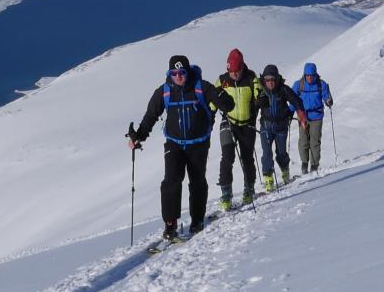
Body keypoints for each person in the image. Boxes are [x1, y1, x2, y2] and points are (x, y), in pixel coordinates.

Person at [129, 55, 234, 241]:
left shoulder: (202, 87)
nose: (178, 76)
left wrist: (224, 99)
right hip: (174, 143)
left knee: (197, 182)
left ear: (188, 72)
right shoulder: (164, 91)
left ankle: (197, 220)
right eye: (174, 73)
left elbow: (227, 105)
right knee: (171, 181)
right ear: (169, 74)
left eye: (181, 72)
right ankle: (170, 224)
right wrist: (139, 136)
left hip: (199, 143)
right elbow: (151, 115)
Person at [216, 49, 261, 209]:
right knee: (227, 156)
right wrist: (209, 111)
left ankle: (249, 189)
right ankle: (226, 193)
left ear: (242, 67)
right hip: (228, 122)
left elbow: (259, 91)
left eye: (236, 71)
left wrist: (260, 99)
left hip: (247, 124)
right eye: (231, 71)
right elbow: (213, 97)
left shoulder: (251, 77)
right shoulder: (222, 80)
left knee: (247, 158)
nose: (234, 74)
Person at [256, 64, 307, 191]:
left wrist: (300, 113)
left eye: (272, 79)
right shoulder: (260, 91)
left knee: (281, 152)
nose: (270, 82)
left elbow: (296, 101)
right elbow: (252, 108)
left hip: (281, 126)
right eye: (267, 80)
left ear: (277, 79)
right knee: (267, 153)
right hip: (266, 126)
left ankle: (285, 171)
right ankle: (268, 178)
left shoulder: (283, 89)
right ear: (264, 80)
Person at [296, 62, 334, 172]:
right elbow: (293, 98)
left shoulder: (321, 84)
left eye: (311, 75)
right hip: (303, 116)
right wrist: (289, 111)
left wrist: (328, 101)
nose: (309, 77)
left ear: (315, 74)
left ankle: (314, 165)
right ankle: (304, 164)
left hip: (316, 116)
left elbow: (326, 95)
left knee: (315, 142)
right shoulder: (299, 84)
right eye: (307, 75)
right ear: (304, 74)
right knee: (303, 141)